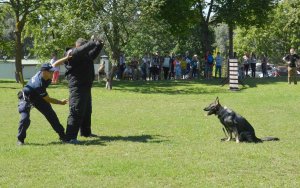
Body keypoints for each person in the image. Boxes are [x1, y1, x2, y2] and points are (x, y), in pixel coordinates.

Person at [62, 37, 104, 143]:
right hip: (77, 87)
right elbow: (80, 51)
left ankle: (85, 132)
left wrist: (99, 44)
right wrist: (92, 42)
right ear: (79, 46)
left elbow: (93, 54)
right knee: (76, 111)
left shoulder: (85, 56)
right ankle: (70, 137)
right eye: (85, 47)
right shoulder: (71, 53)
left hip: (86, 87)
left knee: (86, 111)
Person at [17, 63, 68, 145]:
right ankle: (20, 140)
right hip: (26, 98)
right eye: (51, 71)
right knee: (25, 119)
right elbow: (48, 99)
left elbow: (55, 63)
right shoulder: (38, 84)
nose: (53, 73)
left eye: (53, 71)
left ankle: (62, 136)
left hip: (38, 97)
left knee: (51, 115)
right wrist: (60, 102)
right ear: (44, 72)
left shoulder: (44, 74)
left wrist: (66, 58)